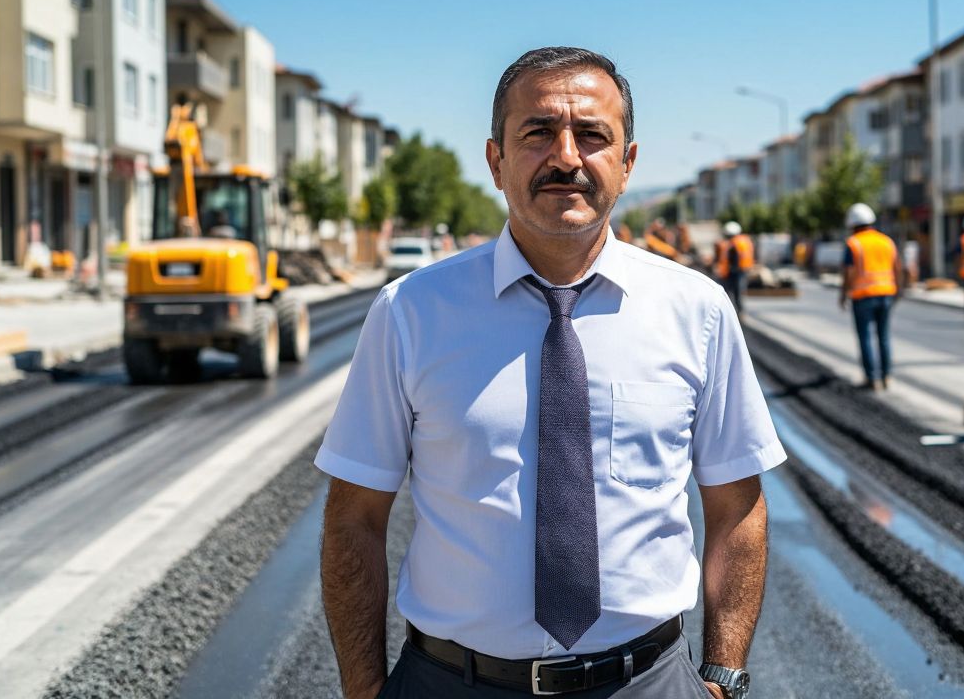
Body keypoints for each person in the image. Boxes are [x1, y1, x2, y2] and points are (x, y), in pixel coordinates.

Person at [316, 47, 784, 699]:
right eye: (537, 133)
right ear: (495, 161)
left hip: (647, 684)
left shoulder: (697, 310)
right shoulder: (411, 313)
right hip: (451, 683)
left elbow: (737, 507)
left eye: (593, 135)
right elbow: (353, 518)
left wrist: (723, 674)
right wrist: (366, 692)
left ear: (627, 164)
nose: (566, 156)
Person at [839, 203, 900, 391]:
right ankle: (887, 375)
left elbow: (849, 272)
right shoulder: (886, 241)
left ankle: (872, 378)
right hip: (886, 294)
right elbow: (897, 266)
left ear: (853, 224)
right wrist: (899, 289)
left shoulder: (854, 243)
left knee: (865, 337)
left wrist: (843, 293)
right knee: (883, 336)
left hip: (863, 296)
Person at [714, 221, 754, 314]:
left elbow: (732, 257)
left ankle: (734, 311)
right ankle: (739, 310)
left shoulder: (733, 243)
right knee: (738, 292)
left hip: (734, 271)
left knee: (732, 292)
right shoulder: (745, 240)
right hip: (742, 269)